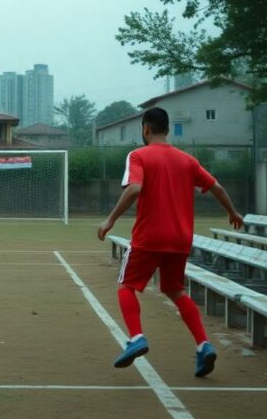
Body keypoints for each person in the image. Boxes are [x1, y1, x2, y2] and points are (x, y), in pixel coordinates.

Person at [97, 107, 244, 377]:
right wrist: (232, 212)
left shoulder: (138, 155)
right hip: (180, 239)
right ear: (166, 129)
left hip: (150, 236)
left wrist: (110, 220)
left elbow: (134, 188)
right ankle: (203, 345)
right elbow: (217, 188)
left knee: (126, 286)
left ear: (145, 129)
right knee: (175, 290)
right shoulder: (187, 160)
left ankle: (137, 337)